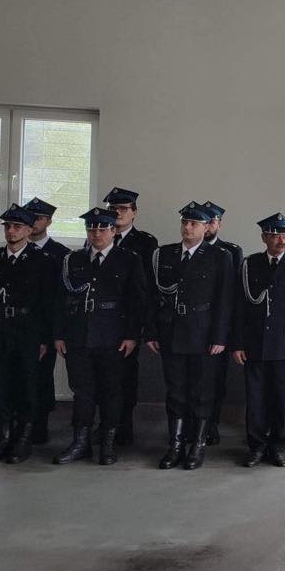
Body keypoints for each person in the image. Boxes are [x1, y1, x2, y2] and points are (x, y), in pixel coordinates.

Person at [52, 208, 147, 466]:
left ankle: (107, 442)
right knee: (82, 392)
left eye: (102, 229)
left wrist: (132, 335)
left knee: (111, 391)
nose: (96, 234)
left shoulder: (129, 260)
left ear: (113, 231)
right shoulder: (73, 260)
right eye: (91, 229)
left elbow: (137, 301)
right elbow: (61, 300)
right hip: (79, 336)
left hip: (113, 337)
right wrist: (59, 334)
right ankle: (80, 442)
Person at [146, 203, 233, 471]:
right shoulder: (165, 254)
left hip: (202, 333)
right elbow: (152, 297)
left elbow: (225, 301)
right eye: (184, 222)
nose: (187, 227)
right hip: (171, 332)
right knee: (175, 392)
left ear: (206, 227)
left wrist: (220, 337)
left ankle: (197, 444)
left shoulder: (220, 256)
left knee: (201, 392)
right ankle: (175, 445)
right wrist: (151, 331)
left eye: (194, 223)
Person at [232, 213, 285, 468]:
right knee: (255, 400)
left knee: (281, 400)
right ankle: (256, 447)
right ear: (264, 237)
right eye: (275, 235)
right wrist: (238, 343)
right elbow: (239, 307)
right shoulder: (250, 265)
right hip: (255, 345)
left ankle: (278, 446)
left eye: (284, 235)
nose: (281, 240)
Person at [0, 204, 56, 464]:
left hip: (28, 332)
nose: (11, 231)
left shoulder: (42, 260)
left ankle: (24, 438)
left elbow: (47, 303)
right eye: (8, 226)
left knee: (27, 384)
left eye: (18, 226)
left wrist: (45, 339)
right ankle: (4, 437)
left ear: (30, 230)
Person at [104, 187, 158, 447]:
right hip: (102, 320)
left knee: (125, 376)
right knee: (103, 376)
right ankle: (105, 425)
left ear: (134, 212)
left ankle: (123, 426)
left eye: (123, 209)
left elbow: (147, 288)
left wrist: (140, 326)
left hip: (128, 318)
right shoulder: (98, 236)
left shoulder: (145, 242)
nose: (117, 213)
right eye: (113, 209)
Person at [23, 197, 71, 445]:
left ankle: (39, 425)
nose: (34, 222)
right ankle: (19, 425)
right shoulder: (16, 249)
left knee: (41, 377)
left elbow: (62, 295)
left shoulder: (61, 254)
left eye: (39, 218)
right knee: (18, 376)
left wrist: (56, 332)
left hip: (47, 325)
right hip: (19, 324)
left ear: (49, 222)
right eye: (30, 217)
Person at [201, 201, 244, 447]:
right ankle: (192, 425)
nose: (208, 226)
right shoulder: (188, 249)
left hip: (219, 325)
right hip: (194, 324)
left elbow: (233, 293)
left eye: (212, 221)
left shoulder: (230, 251)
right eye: (204, 221)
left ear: (219, 224)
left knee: (216, 379)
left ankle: (211, 423)